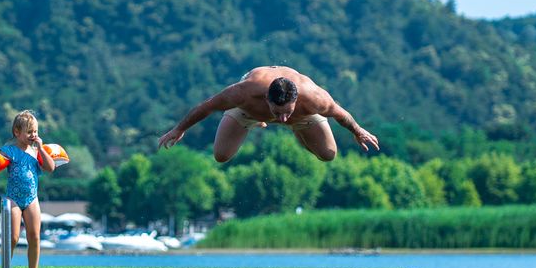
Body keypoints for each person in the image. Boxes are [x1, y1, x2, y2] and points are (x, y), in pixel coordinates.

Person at [157, 65, 379, 163]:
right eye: (276, 112)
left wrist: (358, 131)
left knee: (328, 155)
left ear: (296, 100)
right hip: (250, 113)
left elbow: (341, 114)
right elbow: (207, 106)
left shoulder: (314, 97)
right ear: (266, 99)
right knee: (221, 156)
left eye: (286, 112)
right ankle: (256, 121)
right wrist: (179, 129)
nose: (281, 117)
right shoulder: (244, 92)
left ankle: (296, 127)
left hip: (304, 117)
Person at [0, 110, 55, 268]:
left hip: (32, 198)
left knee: (34, 236)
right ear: (17, 132)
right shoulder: (9, 150)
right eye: (29, 132)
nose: (33, 135)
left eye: (36, 132)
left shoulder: (36, 151)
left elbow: (50, 167)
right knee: (13, 237)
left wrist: (41, 148)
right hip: (12, 199)